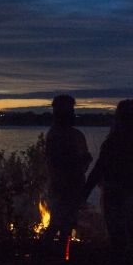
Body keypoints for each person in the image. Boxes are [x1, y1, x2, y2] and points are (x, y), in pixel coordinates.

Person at [83, 100, 133, 261]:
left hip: (113, 193)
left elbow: (98, 169)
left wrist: (84, 193)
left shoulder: (111, 142)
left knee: (117, 238)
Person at [43, 95, 92, 255]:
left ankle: (59, 258)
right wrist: (82, 161)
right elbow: (61, 163)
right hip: (62, 188)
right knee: (58, 224)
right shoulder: (57, 136)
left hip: (70, 188)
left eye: (71, 109)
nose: (71, 113)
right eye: (68, 109)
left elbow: (80, 163)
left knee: (65, 226)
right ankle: (47, 258)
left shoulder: (73, 135)